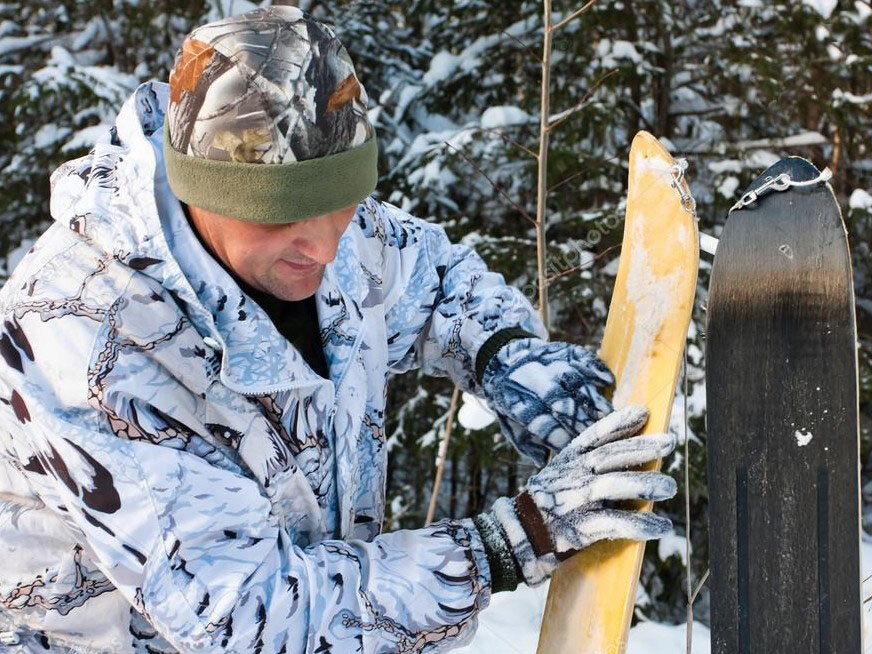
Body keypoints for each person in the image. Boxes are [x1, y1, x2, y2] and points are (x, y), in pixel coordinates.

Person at [0, 6, 677, 652]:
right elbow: (249, 616)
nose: (324, 249)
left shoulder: (316, 207)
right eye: (281, 217)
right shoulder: (88, 336)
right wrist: (505, 543)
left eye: (343, 204)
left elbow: (429, 277)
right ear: (200, 192)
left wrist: (504, 356)